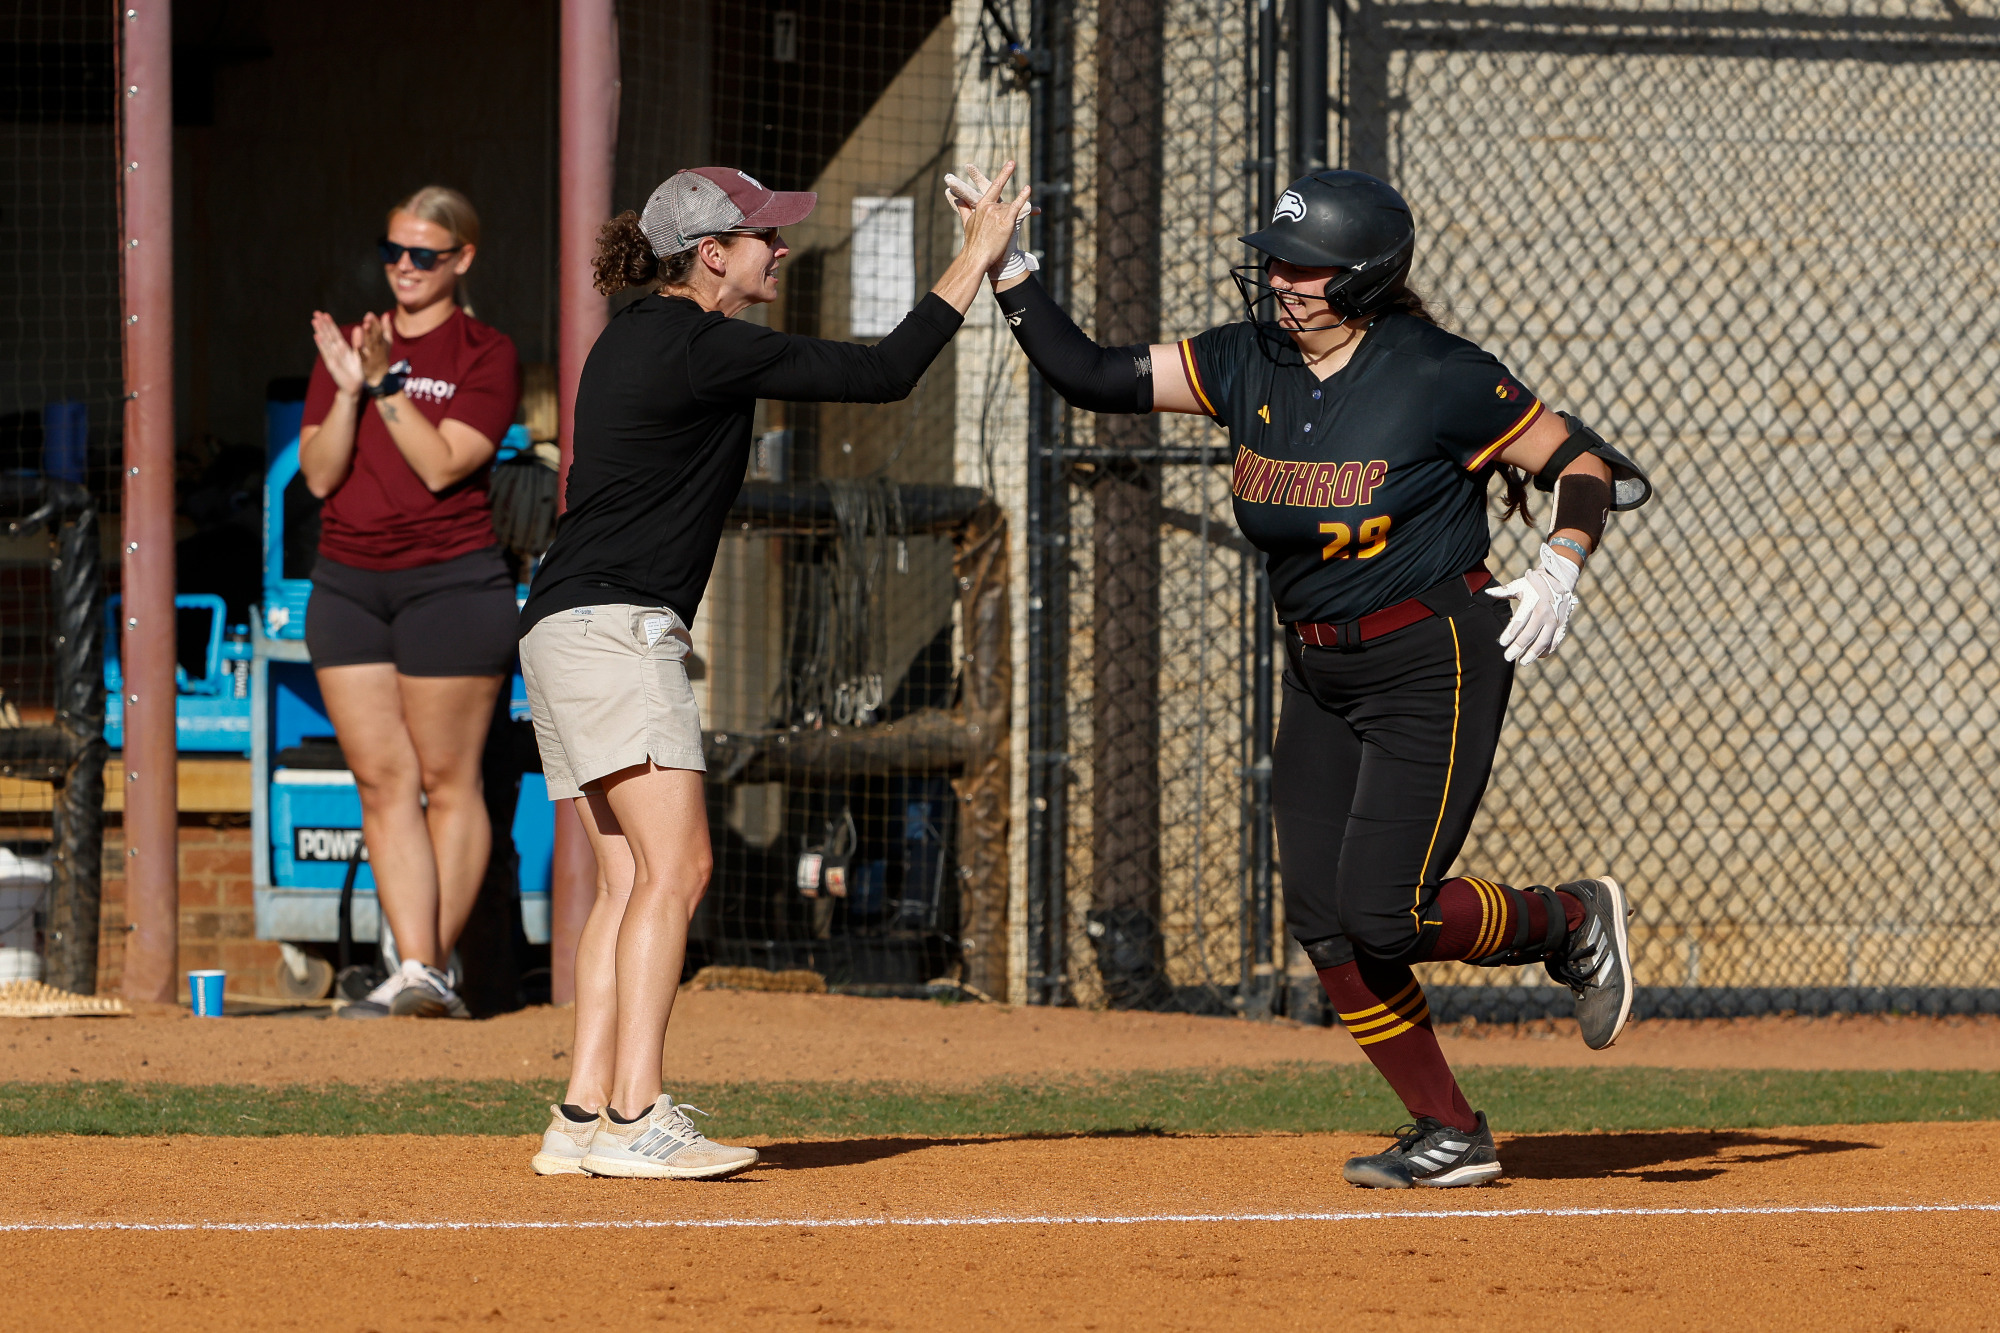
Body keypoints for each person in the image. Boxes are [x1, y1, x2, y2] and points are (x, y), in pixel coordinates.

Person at [952, 165, 1653, 1188]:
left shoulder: (1435, 372)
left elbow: (1582, 460)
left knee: (1385, 914)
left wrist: (1561, 563)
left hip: (1432, 660)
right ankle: (1448, 1129)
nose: (1280, 280)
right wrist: (1009, 268)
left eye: (1306, 268)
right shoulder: (1250, 360)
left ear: (1364, 278)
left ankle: (1570, 920)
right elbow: (1095, 376)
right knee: (1324, 923)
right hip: (1318, 665)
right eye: (1275, 261)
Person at [520, 164, 1034, 1179]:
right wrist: (977, 257)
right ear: (712, 253)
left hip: (561, 624)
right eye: (764, 234)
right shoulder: (699, 342)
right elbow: (885, 372)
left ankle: (580, 1115)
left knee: (627, 879)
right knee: (679, 871)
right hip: (616, 628)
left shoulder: (633, 334)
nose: (782, 248)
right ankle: (634, 1115)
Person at [301, 186, 521, 1020]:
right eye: (392, 250)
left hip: (450, 583)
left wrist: (384, 382)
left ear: (462, 259)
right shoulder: (361, 343)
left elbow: (440, 464)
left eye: (423, 254)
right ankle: (418, 968)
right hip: (348, 582)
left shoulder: (486, 352)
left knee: (446, 778)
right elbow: (318, 474)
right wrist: (347, 388)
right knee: (381, 779)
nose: (403, 267)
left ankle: (426, 967)